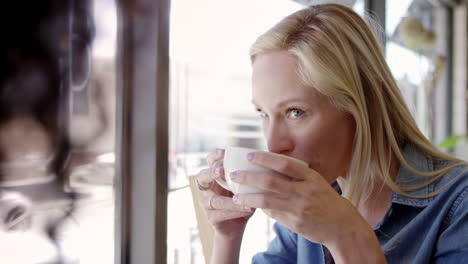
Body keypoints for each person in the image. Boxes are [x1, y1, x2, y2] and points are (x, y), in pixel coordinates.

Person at [196, 4, 468, 263]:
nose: (274, 144)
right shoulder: (307, 205)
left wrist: (346, 237)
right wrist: (227, 237)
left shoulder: (458, 207)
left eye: (295, 112)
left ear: (368, 102)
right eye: (263, 113)